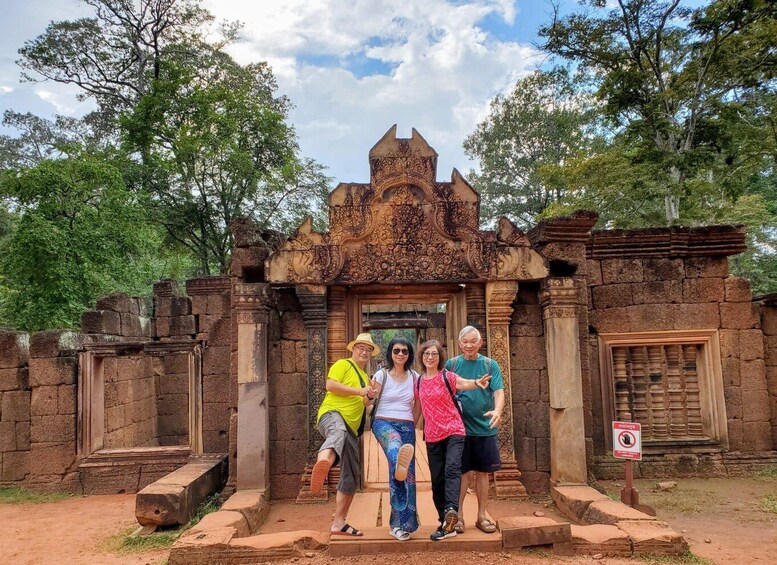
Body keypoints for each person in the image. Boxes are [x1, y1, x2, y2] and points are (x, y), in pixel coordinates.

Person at [415, 339, 491, 541]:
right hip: (432, 435)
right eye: (426, 354)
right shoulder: (419, 381)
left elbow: (464, 383)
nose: (430, 357)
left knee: (452, 468)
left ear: (440, 358)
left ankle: (452, 509)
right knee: (437, 478)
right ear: (422, 357)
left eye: (434, 354)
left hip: (454, 431)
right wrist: (408, 428)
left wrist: (477, 383)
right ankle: (445, 522)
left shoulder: (447, 377)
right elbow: (417, 407)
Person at [310, 332, 379, 537]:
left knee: (351, 474)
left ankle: (339, 523)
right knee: (337, 432)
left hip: (351, 428)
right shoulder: (343, 364)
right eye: (361, 348)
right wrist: (360, 392)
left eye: (368, 350)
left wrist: (370, 396)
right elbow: (330, 385)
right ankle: (323, 461)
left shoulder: (365, 377)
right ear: (353, 349)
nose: (364, 352)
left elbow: (365, 405)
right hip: (332, 415)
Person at [445, 325, 504, 535]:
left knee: (482, 473)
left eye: (473, 341)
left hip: (484, 427)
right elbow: (443, 390)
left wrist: (497, 410)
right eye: (465, 342)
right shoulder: (451, 364)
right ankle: (459, 517)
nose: (469, 345)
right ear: (459, 344)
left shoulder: (490, 365)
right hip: (458, 428)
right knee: (461, 473)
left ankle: (481, 515)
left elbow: (498, 391)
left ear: (480, 343)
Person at [368, 335, 419, 541]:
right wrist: (369, 394)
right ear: (390, 352)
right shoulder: (381, 375)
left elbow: (418, 404)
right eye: (396, 350)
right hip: (383, 421)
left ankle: (401, 524)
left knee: (405, 474)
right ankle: (399, 458)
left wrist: (412, 423)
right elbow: (366, 402)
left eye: (404, 351)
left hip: (406, 424)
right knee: (395, 450)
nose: (400, 354)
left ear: (409, 354)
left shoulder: (415, 376)